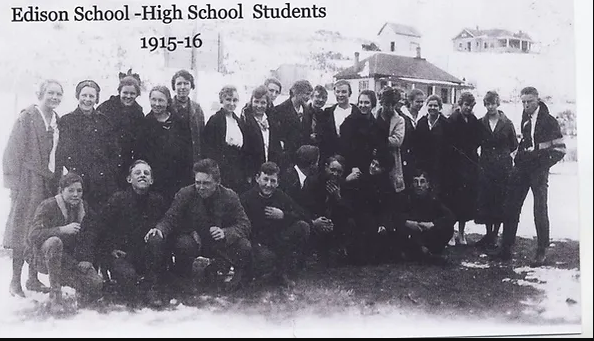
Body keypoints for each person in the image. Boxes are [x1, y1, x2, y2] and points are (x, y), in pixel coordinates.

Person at [146, 159, 252, 292]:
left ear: (217, 182)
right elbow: (171, 217)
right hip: (195, 241)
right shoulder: (185, 194)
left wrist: (226, 232)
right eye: (198, 182)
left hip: (219, 244)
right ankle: (183, 278)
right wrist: (159, 229)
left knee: (244, 245)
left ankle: (229, 276)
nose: (201, 187)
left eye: (206, 183)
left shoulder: (230, 196)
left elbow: (245, 224)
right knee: (183, 244)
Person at [490, 87, 565, 267]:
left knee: (540, 209)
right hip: (522, 168)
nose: (526, 105)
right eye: (523, 101)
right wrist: (519, 156)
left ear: (537, 100)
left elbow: (560, 150)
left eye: (529, 101)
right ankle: (506, 248)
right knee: (510, 205)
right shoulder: (525, 117)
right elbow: (526, 141)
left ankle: (541, 251)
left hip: (538, 171)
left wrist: (541, 164)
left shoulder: (549, 121)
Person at [3, 79, 64, 297]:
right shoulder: (27, 117)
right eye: (51, 93)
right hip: (28, 182)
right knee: (22, 229)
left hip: (47, 182)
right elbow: (11, 152)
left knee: (39, 227)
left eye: (58, 94)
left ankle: (32, 278)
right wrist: (14, 185)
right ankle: (14, 281)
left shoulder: (57, 120)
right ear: (41, 93)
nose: (54, 98)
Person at [27, 173, 103, 313]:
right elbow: (33, 235)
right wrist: (62, 230)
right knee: (54, 242)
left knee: (96, 283)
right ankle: (55, 295)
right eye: (71, 190)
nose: (76, 195)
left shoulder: (83, 207)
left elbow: (91, 235)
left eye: (79, 191)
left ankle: (78, 291)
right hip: (43, 258)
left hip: (69, 260)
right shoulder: (48, 205)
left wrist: (86, 259)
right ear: (61, 191)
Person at [100, 160, 168, 307]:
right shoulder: (118, 200)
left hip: (146, 255)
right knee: (128, 281)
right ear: (129, 179)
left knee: (156, 238)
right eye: (137, 173)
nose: (142, 176)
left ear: (151, 180)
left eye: (146, 173)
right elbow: (103, 227)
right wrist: (110, 249)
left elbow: (168, 223)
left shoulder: (158, 201)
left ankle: (152, 287)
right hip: (123, 255)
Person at [240, 162, 310, 287]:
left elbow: (302, 213)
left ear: (277, 183)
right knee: (265, 258)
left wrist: (283, 215)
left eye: (273, 181)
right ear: (257, 178)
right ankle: (259, 273)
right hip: (257, 242)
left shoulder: (280, 196)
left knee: (303, 227)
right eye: (265, 179)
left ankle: (283, 272)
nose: (268, 185)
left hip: (277, 239)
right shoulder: (246, 198)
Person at [56, 79, 120, 213]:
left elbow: (114, 151)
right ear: (78, 96)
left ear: (96, 99)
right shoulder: (67, 121)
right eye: (84, 95)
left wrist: (107, 172)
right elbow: (63, 152)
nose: (87, 99)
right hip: (78, 180)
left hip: (102, 181)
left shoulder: (104, 121)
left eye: (91, 96)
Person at [474, 91, 518, 249]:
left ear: (498, 104)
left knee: (500, 200)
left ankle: (495, 234)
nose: (490, 106)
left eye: (493, 103)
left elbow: (514, 144)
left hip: (503, 168)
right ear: (484, 105)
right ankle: (488, 234)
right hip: (486, 166)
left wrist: (502, 156)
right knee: (487, 199)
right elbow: (476, 142)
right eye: (487, 104)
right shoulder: (481, 123)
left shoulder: (507, 123)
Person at [137, 86, 193, 205]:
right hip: (154, 181)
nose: (156, 104)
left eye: (161, 100)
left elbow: (187, 154)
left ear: (168, 102)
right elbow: (140, 154)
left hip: (176, 179)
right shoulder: (144, 124)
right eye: (153, 100)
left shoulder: (179, 123)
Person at [344, 150, 397, 265]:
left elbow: (388, 208)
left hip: (376, 220)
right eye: (373, 163)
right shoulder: (361, 179)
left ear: (384, 170)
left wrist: (383, 224)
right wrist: (347, 181)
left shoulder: (387, 186)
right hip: (360, 217)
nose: (373, 167)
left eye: (377, 166)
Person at [302, 155, 355, 266]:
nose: (335, 174)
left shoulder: (343, 185)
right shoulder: (313, 182)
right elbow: (305, 206)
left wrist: (338, 198)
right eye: (333, 170)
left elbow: (349, 210)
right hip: (315, 220)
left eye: (339, 172)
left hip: (333, 222)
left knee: (350, 222)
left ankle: (339, 251)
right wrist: (315, 220)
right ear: (326, 167)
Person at [394, 170, 455, 264]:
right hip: (411, 234)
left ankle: (422, 253)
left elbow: (450, 216)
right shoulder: (406, 197)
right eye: (416, 181)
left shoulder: (433, 199)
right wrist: (407, 222)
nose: (419, 185)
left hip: (426, 234)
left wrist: (432, 224)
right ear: (412, 184)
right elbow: (394, 214)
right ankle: (428, 256)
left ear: (427, 184)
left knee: (448, 228)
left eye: (422, 181)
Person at [96, 71, 145, 189]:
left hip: (126, 163)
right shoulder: (105, 108)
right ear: (119, 92)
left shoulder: (138, 113)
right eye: (125, 93)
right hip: (105, 161)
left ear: (137, 94)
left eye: (132, 93)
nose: (128, 96)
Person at [447, 92, 482, 245]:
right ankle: (450, 233)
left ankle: (461, 233)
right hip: (454, 166)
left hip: (469, 165)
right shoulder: (452, 120)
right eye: (466, 105)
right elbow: (449, 143)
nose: (468, 108)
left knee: (466, 201)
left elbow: (477, 141)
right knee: (452, 200)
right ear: (460, 105)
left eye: (471, 105)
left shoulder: (474, 120)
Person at [203, 85, 251, 194]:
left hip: (237, 167)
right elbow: (208, 147)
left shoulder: (238, 121)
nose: (231, 103)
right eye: (228, 100)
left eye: (235, 100)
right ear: (222, 100)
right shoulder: (215, 120)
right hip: (222, 167)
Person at [413, 95, 452, 199]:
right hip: (423, 165)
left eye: (435, 105)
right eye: (430, 105)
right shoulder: (421, 122)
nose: (432, 108)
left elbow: (449, 147)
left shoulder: (446, 124)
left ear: (440, 107)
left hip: (440, 165)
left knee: (437, 193)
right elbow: (416, 144)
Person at [241, 85, 283, 183]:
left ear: (268, 104)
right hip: (254, 170)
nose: (259, 106)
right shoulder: (245, 121)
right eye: (256, 101)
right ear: (251, 102)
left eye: (263, 102)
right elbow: (245, 151)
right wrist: (249, 174)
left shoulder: (271, 120)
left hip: (270, 168)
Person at [317, 80, 363, 165]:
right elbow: (323, 140)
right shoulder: (327, 113)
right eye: (338, 92)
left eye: (344, 92)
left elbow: (361, 142)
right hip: (331, 161)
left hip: (352, 161)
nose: (340, 95)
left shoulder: (358, 114)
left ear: (350, 93)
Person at [271, 80, 314, 170]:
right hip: (286, 159)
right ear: (296, 92)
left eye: (310, 94)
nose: (308, 97)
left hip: (303, 159)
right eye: (306, 94)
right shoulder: (279, 110)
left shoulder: (307, 110)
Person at [373, 87, 406, 194]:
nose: (390, 107)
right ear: (382, 103)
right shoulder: (374, 116)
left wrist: (378, 141)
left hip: (390, 160)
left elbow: (397, 140)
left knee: (389, 189)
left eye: (393, 104)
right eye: (387, 104)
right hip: (373, 158)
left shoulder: (399, 120)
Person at [339, 90, 377, 178]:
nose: (363, 105)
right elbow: (345, 148)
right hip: (352, 168)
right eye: (361, 102)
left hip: (370, 167)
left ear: (373, 104)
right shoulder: (349, 121)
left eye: (367, 103)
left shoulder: (374, 123)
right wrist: (353, 166)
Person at [170, 69, 206, 163]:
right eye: (179, 84)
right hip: (172, 159)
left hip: (192, 158)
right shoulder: (168, 107)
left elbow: (202, 136)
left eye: (186, 83)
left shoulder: (197, 109)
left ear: (191, 86)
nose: (182, 87)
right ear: (174, 86)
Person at [398, 89, 426, 186]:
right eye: (417, 101)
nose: (420, 104)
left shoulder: (422, 117)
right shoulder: (402, 115)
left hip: (417, 156)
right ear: (410, 101)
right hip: (404, 155)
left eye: (422, 101)